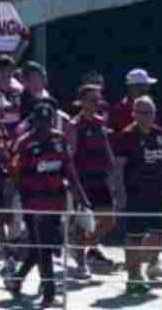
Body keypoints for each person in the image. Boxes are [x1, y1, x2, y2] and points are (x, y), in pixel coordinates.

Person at [6, 100, 89, 307]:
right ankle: (50, 292)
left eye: (48, 121)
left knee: (43, 246)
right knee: (43, 247)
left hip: (56, 202)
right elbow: (14, 177)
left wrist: (82, 199)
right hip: (32, 203)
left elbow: (69, 171)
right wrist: (10, 207)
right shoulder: (24, 143)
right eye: (40, 121)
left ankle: (17, 279)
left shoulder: (59, 140)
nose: (44, 126)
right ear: (34, 121)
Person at [113, 95, 162, 295]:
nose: (148, 116)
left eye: (150, 112)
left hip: (156, 191)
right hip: (135, 193)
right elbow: (118, 167)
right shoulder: (128, 135)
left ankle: (140, 264)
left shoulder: (159, 133)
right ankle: (133, 277)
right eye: (142, 112)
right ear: (134, 114)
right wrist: (121, 194)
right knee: (134, 236)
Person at [65, 83, 117, 279]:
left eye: (98, 99)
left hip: (101, 179)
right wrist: (73, 185)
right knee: (82, 224)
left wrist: (113, 174)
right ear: (82, 101)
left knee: (109, 220)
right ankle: (80, 264)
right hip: (82, 182)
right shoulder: (74, 125)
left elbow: (107, 150)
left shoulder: (99, 122)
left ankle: (83, 248)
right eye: (92, 100)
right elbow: (69, 157)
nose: (97, 103)